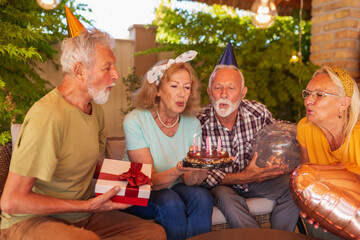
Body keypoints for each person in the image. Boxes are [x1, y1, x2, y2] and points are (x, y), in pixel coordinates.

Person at [0, 29, 166, 240]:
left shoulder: (95, 110)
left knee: (153, 233)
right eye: (107, 67)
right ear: (79, 71)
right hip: (28, 221)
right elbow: (11, 201)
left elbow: (88, 165)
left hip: (81, 215)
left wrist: (136, 178)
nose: (116, 74)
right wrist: (87, 204)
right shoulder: (47, 117)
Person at [194, 42, 300, 231]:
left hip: (258, 181)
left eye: (231, 88)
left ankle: (281, 238)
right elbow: (200, 175)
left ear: (243, 93)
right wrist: (241, 177)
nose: (223, 94)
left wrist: (281, 161)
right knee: (227, 198)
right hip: (223, 185)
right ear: (209, 92)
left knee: (294, 187)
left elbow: (277, 142)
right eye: (218, 88)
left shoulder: (258, 112)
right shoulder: (198, 123)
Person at [122, 51, 214, 240]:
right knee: (169, 201)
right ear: (157, 90)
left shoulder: (192, 124)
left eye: (187, 87)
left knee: (203, 197)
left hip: (174, 187)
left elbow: (189, 180)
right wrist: (181, 168)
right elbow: (150, 181)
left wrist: (203, 168)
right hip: (139, 191)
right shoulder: (135, 121)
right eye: (174, 86)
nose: (182, 93)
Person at [297, 66, 360, 240]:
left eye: (319, 95)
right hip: (334, 210)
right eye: (308, 93)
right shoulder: (305, 129)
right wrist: (315, 208)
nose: (308, 101)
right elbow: (307, 181)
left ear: (343, 103)